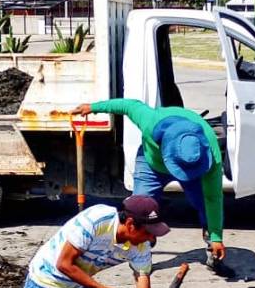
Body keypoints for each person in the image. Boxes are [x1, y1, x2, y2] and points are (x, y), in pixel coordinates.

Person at [73, 99, 230, 273]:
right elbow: (128, 105)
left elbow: (213, 198)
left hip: (193, 171)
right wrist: (93, 108)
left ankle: (213, 252)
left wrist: (217, 237)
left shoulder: (208, 155)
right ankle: (141, 260)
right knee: (140, 210)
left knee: (204, 204)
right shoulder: (150, 121)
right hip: (151, 164)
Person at [24, 195, 170, 288]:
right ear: (130, 224)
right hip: (45, 284)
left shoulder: (142, 247)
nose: (151, 238)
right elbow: (64, 264)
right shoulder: (96, 220)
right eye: (148, 232)